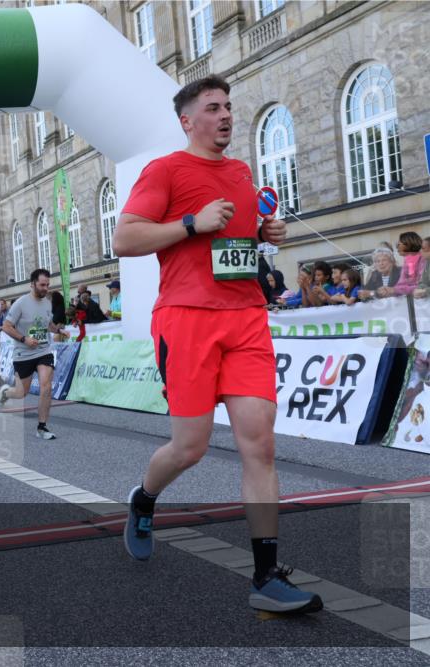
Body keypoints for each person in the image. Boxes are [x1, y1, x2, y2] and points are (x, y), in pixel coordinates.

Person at [111, 75, 322, 613]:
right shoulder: (165, 170)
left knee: (260, 445)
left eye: (228, 105)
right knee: (191, 447)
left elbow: (237, 241)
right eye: (213, 107)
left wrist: (265, 235)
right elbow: (125, 238)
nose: (226, 114)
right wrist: (190, 223)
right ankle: (144, 498)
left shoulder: (241, 173)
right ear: (188, 121)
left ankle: (266, 577)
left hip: (246, 317)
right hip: (187, 321)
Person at [0, 268, 65, 440]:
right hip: (24, 353)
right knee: (21, 392)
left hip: (43, 350)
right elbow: (6, 327)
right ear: (32, 284)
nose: (45, 288)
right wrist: (24, 339)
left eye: (47, 285)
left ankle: (42, 427)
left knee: (46, 385)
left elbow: (47, 324)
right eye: (42, 285)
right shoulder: (20, 303)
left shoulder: (47, 303)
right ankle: (5, 393)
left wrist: (58, 330)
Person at [382, 231, 426, 297]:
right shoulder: (407, 260)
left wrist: (395, 290)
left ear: (408, 244)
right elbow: (401, 283)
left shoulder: (424, 259)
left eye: (399, 244)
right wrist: (390, 291)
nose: (397, 247)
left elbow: (422, 286)